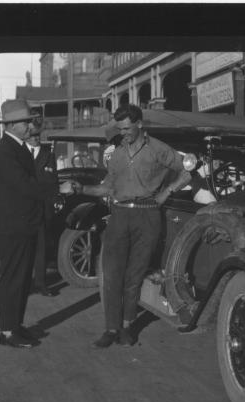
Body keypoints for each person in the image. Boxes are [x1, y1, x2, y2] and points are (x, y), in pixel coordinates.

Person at [70, 105, 192, 349]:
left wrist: (167, 192)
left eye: (127, 128)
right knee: (112, 274)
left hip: (148, 217)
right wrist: (81, 189)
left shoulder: (159, 149)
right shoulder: (116, 155)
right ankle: (110, 329)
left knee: (134, 276)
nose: (123, 133)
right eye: (120, 129)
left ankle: (127, 327)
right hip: (119, 216)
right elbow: (107, 188)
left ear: (139, 125)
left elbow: (186, 173)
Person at [0, 99, 70, 348]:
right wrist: (59, 188)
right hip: (12, 227)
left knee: (23, 279)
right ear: (11, 125)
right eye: (25, 122)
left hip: (25, 224)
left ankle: (16, 325)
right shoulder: (3, 151)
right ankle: (7, 333)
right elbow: (25, 186)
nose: (30, 126)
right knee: (13, 278)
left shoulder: (20, 148)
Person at [26, 126, 58, 297]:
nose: (35, 138)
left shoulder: (48, 154)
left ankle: (41, 283)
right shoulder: (21, 153)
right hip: (24, 209)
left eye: (37, 135)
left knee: (41, 248)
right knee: (23, 248)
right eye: (32, 135)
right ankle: (25, 284)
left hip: (43, 208)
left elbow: (53, 181)